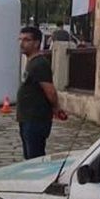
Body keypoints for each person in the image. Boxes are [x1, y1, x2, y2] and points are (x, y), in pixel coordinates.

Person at [17, 24, 66, 159]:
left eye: (26, 40)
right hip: (27, 118)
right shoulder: (31, 62)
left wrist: (56, 108)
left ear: (36, 43)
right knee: (28, 157)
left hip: (35, 119)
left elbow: (50, 91)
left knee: (35, 158)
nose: (22, 43)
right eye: (20, 39)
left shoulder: (40, 64)